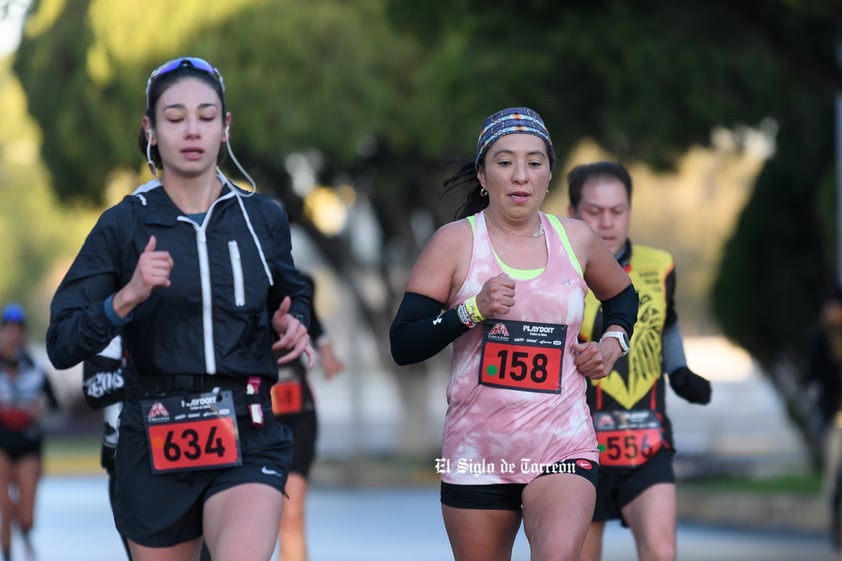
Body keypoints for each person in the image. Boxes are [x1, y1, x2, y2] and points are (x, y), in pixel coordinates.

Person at [46, 56, 314, 561]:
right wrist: (125, 298)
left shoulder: (262, 219)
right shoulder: (123, 225)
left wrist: (293, 318)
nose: (192, 131)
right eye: (174, 118)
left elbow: (291, 291)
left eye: (207, 117)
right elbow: (61, 343)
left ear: (225, 127)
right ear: (150, 129)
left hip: (248, 427)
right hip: (153, 434)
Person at [389, 107, 639, 561]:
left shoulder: (576, 239)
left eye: (534, 162)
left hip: (563, 443)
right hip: (477, 453)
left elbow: (623, 297)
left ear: (549, 175)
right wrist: (471, 310)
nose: (520, 175)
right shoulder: (455, 242)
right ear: (484, 175)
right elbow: (404, 343)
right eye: (505, 162)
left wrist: (612, 343)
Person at [566, 161, 712, 561]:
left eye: (618, 210)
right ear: (572, 211)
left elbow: (667, 324)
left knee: (662, 552)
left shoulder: (659, 265)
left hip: (646, 442)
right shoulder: (553, 269)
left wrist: (680, 371)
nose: (607, 222)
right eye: (594, 212)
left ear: (630, 209)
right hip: (574, 452)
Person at [271, 271, 344, 561]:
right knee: (249, 516)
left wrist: (326, 352)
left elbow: (312, 321)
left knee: (292, 509)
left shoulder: (298, 281)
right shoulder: (222, 277)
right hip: (246, 413)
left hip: (295, 406)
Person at [0, 303, 60, 561]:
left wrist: (40, 408)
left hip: (28, 444)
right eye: (7, 329)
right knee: (4, 507)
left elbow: (54, 406)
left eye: (17, 329)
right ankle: (8, 553)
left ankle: (23, 531)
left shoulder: (35, 369)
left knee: (26, 518)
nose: (13, 335)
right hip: (1, 444)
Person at [805, 287, 842, 552]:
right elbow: (812, 375)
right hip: (834, 416)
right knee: (834, 476)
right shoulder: (819, 338)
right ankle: (836, 528)